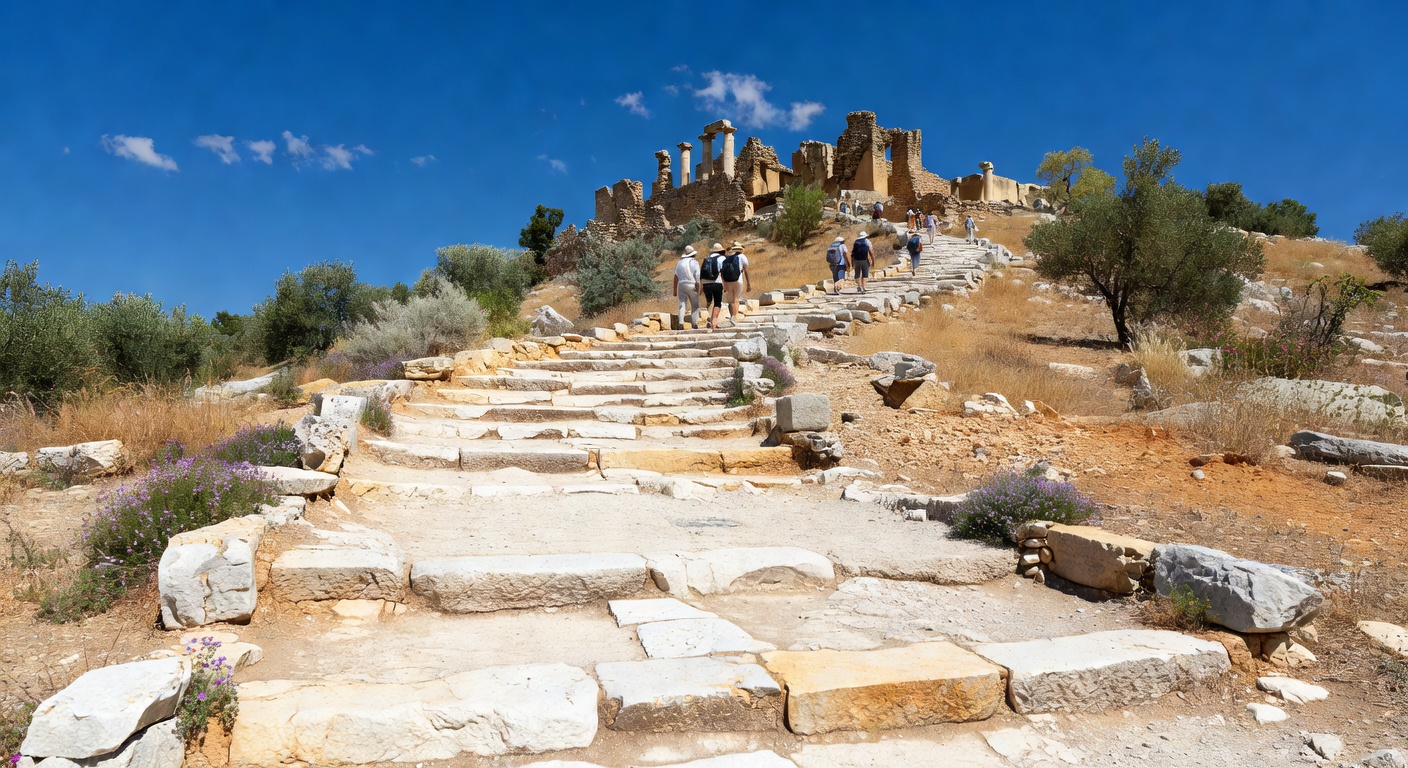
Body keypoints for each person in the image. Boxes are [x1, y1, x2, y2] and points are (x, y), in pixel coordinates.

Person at [721, 240, 751, 322]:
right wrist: (748, 284)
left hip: (727, 280)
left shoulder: (727, 257)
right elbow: (745, 270)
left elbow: (722, 271)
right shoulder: (742, 257)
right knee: (736, 299)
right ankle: (735, 317)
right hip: (738, 279)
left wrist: (724, 283)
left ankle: (732, 316)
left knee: (730, 300)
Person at [672, 245, 701, 329]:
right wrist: (698, 285)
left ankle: (680, 323)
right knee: (695, 305)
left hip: (681, 285)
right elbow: (697, 275)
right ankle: (694, 323)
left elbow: (676, 276)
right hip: (691, 284)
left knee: (682, 304)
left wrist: (674, 290)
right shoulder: (694, 262)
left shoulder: (679, 262)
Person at [700, 242, 727, 331]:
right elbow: (724, 272)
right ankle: (714, 321)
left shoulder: (707, 259)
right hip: (716, 282)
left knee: (709, 301)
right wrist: (725, 284)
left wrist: (701, 287)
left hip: (705, 283)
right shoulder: (722, 258)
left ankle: (708, 316)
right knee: (717, 302)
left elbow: (702, 273)